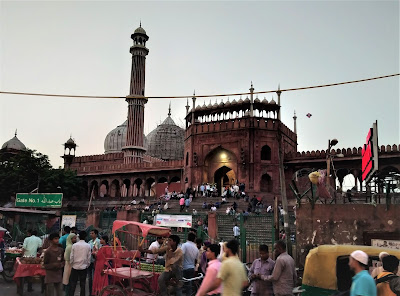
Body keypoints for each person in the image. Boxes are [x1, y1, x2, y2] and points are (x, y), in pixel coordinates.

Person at [69, 231, 91, 296]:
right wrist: (87, 265)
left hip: (75, 267)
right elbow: (89, 257)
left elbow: (71, 256)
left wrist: (72, 264)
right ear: (85, 237)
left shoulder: (74, 245)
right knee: (83, 284)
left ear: (78, 237)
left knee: (73, 284)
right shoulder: (88, 246)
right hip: (83, 267)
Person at [88, 229, 101, 296]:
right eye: (90, 233)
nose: (91, 234)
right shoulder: (89, 242)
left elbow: (100, 251)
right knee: (90, 277)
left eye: (92, 233)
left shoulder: (99, 241)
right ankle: (91, 291)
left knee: (95, 277)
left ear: (96, 234)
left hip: (96, 261)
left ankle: (96, 291)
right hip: (90, 261)